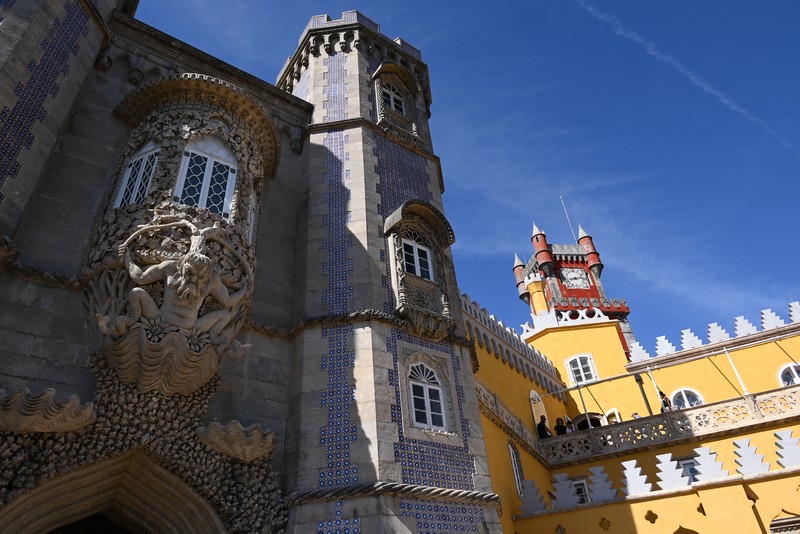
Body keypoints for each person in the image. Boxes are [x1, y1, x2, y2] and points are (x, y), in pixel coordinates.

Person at [98, 247, 248, 336]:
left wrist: (245, 289)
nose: (194, 278)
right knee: (136, 292)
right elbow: (140, 277)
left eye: (200, 276)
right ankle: (128, 320)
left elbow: (228, 301)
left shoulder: (211, 280)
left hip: (192, 326)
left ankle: (214, 339)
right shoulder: (170, 267)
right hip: (159, 317)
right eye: (190, 272)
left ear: (206, 275)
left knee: (225, 315)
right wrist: (127, 258)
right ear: (183, 265)